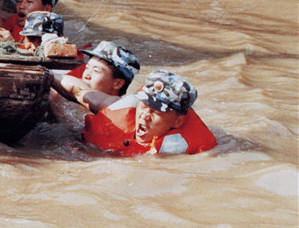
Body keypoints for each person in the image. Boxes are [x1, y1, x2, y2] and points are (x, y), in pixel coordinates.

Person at [77, 69, 216, 155]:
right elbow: (76, 91)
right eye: (143, 107)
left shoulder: (199, 150)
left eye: (156, 113)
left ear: (178, 121)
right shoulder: (119, 111)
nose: (144, 116)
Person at [52, 41, 140, 102]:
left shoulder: (117, 111)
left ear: (117, 84)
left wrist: (57, 108)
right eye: (87, 68)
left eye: (96, 71)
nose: (86, 75)